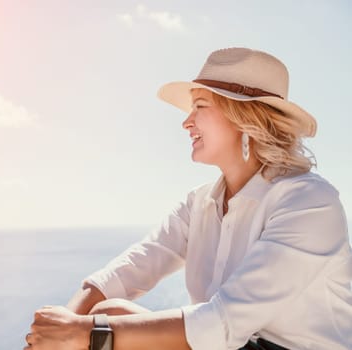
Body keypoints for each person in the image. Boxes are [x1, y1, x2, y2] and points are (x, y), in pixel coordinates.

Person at [24, 48, 352, 350]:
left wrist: (82, 333)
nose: (186, 121)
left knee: (102, 328)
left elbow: (222, 323)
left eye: (200, 106)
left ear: (244, 117)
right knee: (106, 312)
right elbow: (128, 271)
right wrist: (59, 328)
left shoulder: (309, 203)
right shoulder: (200, 204)